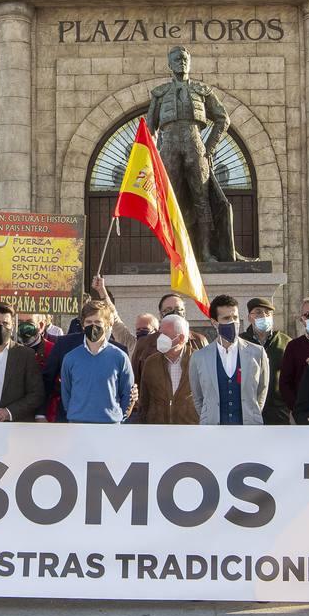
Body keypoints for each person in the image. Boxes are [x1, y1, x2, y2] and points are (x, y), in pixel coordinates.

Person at [146, 45, 232, 261]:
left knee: (201, 198)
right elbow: (150, 128)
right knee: (171, 201)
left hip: (195, 145)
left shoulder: (203, 91)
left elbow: (223, 118)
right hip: (169, 147)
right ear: (169, 64)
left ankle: (205, 252)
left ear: (189, 62)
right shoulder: (160, 93)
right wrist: (153, 155)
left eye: (184, 59)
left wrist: (209, 148)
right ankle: (172, 253)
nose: (181, 62)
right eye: (176, 59)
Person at [189, 294, 268, 425]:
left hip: (248, 428)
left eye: (235, 317)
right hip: (213, 429)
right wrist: (210, 416)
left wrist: (252, 414)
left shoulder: (257, 352)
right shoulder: (199, 357)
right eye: (226, 318)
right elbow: (198, 397)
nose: (233, 322)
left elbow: (262, 391)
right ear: (214, 322)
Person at [60, 300, 134, 424]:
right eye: (89, 322)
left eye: (98, 322)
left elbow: (127, 393)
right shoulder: (70, 358)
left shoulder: (120, 357)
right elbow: (66, 393)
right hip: (77, 424)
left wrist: (118, 416)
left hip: (110, 425)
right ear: (83, 324)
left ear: (106, 324)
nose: (93, 326)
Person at [139, 314, 199, 424]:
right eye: (160, 333)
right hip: (158, 430)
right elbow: (144, 400)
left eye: (165, 335)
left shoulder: (199, 361)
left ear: (180, 338)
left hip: (190, 429)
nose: (160, 338)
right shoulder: (151, 362)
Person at [240, 296, 291, 424]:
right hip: (247, 410)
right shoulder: (240, 342)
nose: (263, 316)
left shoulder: (286, 342)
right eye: (258, 312)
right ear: (249, 317)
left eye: (267, 313)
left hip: (278, 411)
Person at [279, 297, 309, 415]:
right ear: (302, 319)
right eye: (308, 315)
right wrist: (297, 408)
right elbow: (285, 382)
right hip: (301, 412)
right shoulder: (293, 346)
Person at [129, 312, 160, 386]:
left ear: (155, 330)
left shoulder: (162, 349)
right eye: (138, 329)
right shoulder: (132, 344)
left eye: (145, 328)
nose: (141, 331)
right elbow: (117, 326)